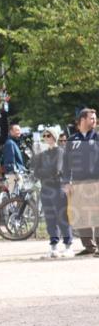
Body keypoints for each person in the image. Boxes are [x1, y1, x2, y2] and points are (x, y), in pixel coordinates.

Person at [62, 107, 99, 256]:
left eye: (95, 118)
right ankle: (89, 246)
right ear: (82, 120)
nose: (94, 120)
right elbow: (66, 164)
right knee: (81, 216)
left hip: (96, 182)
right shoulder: (72, 140)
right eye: (92, 118)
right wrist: (66, 182)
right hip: (77, 183)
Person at [35, 126, 74, 258]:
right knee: (49, 218)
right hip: (45, 188)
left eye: (49, 135)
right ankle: (54, 246)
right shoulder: (43, 154)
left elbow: (56, 170)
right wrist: (46, 173)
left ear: (55, 137)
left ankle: (68, 245)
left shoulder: (60, 152)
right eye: (44, 136)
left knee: (62, 217)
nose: (46, 138)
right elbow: (36, 172)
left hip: (57, 188)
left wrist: (44, 172)